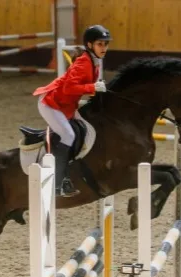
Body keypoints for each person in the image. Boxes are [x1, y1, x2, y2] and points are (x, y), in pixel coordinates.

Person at [33, 25, 111, 197]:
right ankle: (57, 182)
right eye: (100, 44)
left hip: (66, 105)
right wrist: (92, 87)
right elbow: (69, 88)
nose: (104, 48)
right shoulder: (84, 62)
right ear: (90, 45)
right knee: (68, 135)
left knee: (85, 128)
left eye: (106, 44)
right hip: (51, 104)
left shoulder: (93, 61)